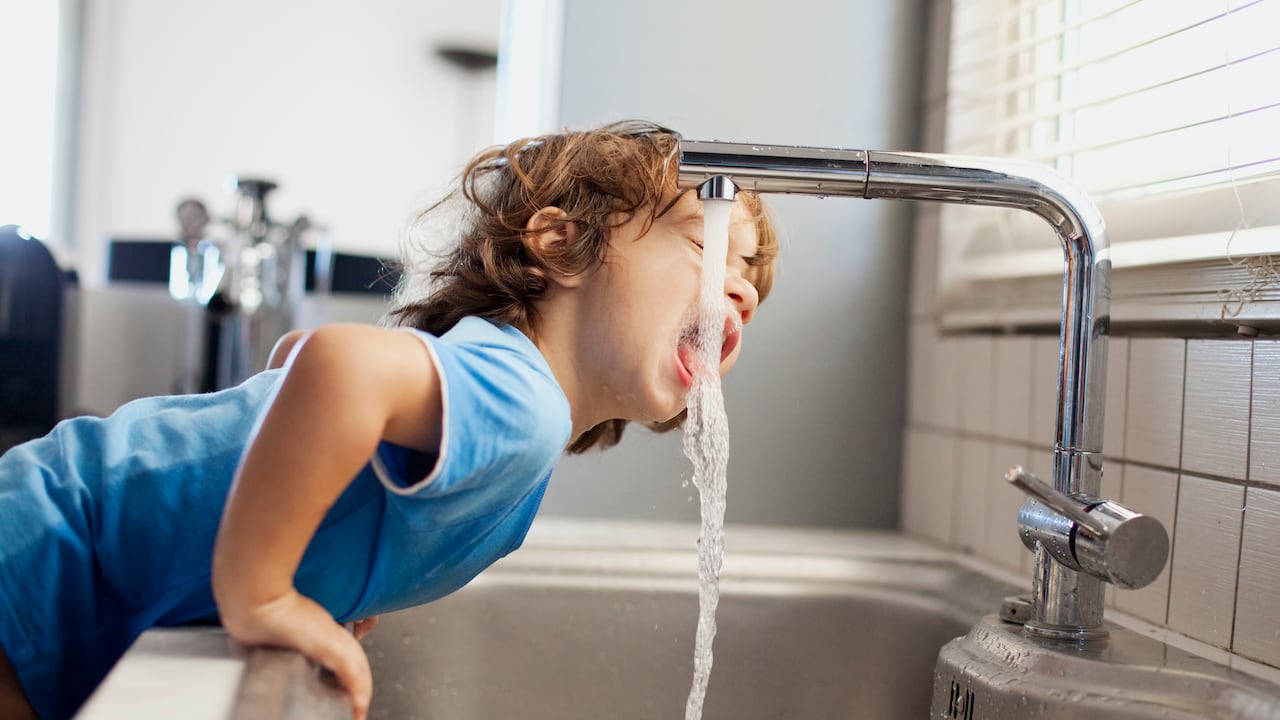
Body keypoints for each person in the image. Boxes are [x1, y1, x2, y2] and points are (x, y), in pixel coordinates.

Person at [0, 120, 779, 720]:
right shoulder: (524, 400)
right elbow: (333, 366)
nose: (739, 291)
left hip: (64, 542)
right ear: (560, 244)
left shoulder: (499, 386)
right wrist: (267, 591)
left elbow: (293, 356)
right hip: (53, 551)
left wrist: (321, 552)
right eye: (709, 247)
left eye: (752, 283)